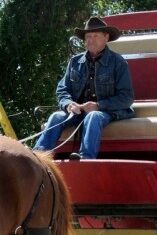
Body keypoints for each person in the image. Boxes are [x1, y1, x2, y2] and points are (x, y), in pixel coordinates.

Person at [34, 16, 134, 160]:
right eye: (88, 37)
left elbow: (126, 98)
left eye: (95, 36)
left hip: (106, 111)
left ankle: (85, 159)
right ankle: (38, 158)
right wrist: (68, 104)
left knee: (93, 116)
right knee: (56, 116)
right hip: (78, 111)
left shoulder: (118, 62)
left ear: (106, 37)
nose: (91, 40)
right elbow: (62, 89)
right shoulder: (75, 62)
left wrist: (98, 105)